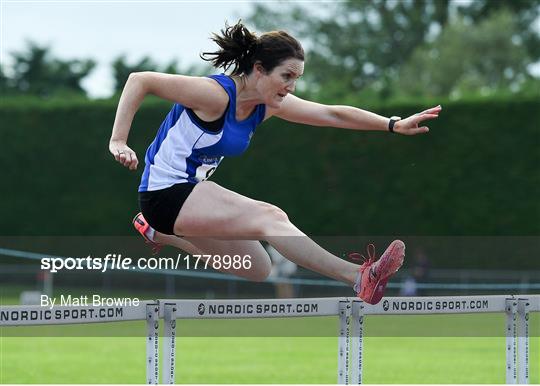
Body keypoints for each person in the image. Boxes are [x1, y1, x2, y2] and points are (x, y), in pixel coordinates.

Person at [109, 21, 441, 305]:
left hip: (185, 200)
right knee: (271, 217)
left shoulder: (268, 105)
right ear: (258, 70)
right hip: (164, 191)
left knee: (257, 267)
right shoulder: (215, 95)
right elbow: (141, 80)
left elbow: (331, 113)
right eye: (286, 76)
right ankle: (359, 277)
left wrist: (392, 124)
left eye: (296, 78)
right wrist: (119, 141)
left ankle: (156, 230)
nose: (291, 86)